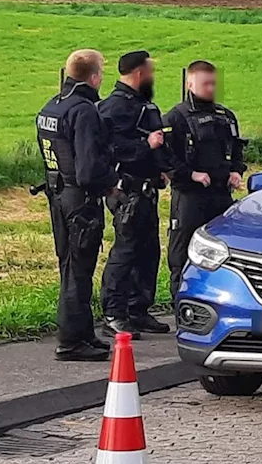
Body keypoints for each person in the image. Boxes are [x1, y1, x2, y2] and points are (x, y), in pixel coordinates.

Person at [37, 50, 118, 362]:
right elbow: (87, 169)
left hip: (57, 195)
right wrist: (111, 182)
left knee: (68, 265)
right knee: (78, 271)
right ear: (94, 77)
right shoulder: (84, 111)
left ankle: (83, 332)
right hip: (80, 201)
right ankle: (71, 341)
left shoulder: (52, 105)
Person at [99, 51, 171, 338]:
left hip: (147, 190)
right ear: (139, 73)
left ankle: (138, 309)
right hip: (127, 191)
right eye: (151, 71)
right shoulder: (113, 108)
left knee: (148, 251)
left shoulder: (143, 104)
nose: (153, 76)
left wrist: (161, 169)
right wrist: (147, 144)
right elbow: (111, 149)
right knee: (125, 253)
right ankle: (114, 313)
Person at [163, 61, 246, 299]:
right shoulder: (176, 117)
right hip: (190, 196)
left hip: (221, 195)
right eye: (205, 83)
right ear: (190, 84)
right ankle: (181, 303)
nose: (210, 88)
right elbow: (166, 158)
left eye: (213, 83)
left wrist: (236, 171)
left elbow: (236, 149)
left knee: (224, 250)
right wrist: (191, 174)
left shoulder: (225, 116)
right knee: (182, 253)